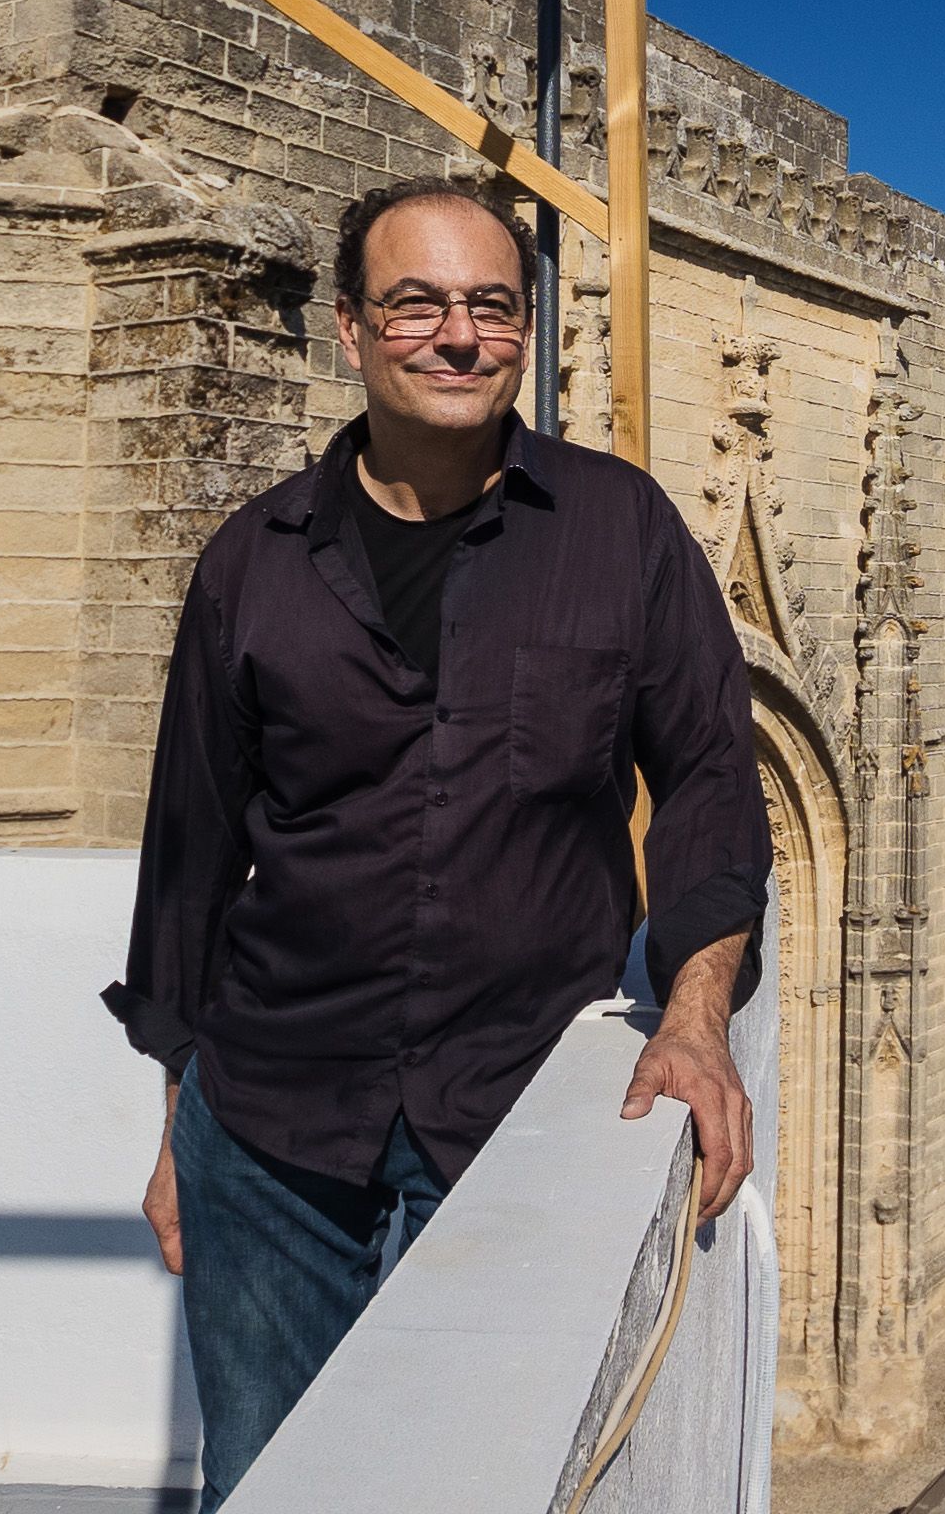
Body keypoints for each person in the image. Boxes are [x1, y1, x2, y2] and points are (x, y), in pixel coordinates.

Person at [101, 176, 768, 1508]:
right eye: (415, 304)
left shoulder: (621, 531)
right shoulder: (251, 561)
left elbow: (707, 776)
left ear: (525, 330)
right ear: (352, 330)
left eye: (491, 306)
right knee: (268, 1486)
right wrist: (180, 1120)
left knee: (489, 1486)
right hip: (271, 1131)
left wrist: (696, 1019)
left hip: (521, 1115)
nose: (459, 335)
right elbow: (192, 846)